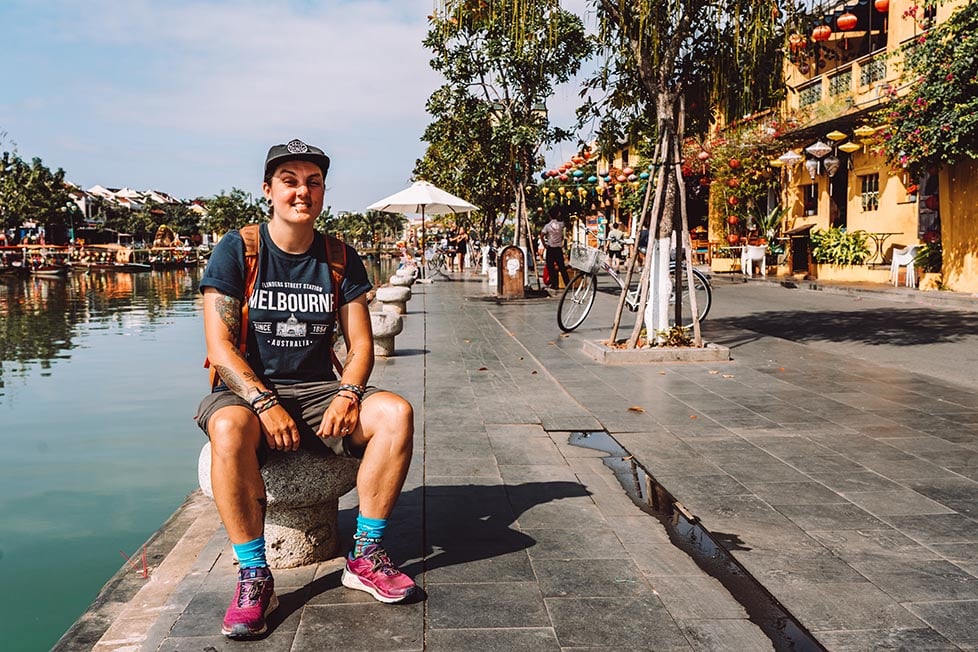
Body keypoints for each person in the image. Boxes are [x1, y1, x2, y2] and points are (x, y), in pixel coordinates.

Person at [195, 139, 416, 639]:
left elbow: (362, 346)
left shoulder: (340, 257)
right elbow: (221, 347)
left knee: (395, 413)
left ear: (322, 192)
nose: (302, 192)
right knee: (228, 427)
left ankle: (364, 554)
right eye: (290, 181)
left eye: (313, 182)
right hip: (246, 393)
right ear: (268, 190)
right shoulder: (239, 249)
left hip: (320, 391)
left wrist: (348, 394)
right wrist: (265, 401)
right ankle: (254, 572)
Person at [540, 206, 570, 290]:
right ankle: (567, 283)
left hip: (550, 248)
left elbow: (541, 235)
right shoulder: (561, 224)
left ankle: (554, 284)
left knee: (551, 267)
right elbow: (564, 222)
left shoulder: (547, 226)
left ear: (549, 216)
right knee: (562, 267)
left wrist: (544, 244)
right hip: (558, 249)